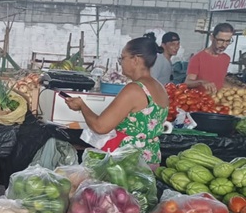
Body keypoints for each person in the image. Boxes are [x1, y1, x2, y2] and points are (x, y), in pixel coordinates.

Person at [64, 36, 168, 167]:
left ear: (135, 59)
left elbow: (100, 127)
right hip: (150, 159)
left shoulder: (134, 89)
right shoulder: (160, 88)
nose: (121, 62)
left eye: (123, 58)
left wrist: (82, 106)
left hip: (127, 163)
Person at [185, 23, 234, 94]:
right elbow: (187, 82)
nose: (224, 45)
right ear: (212, 38)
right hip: (200, 102)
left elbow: (221, 80)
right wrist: (202, 82)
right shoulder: (198, 58)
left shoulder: (226, 58)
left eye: (227, 41)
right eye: (220, 40)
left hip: (218, 100)